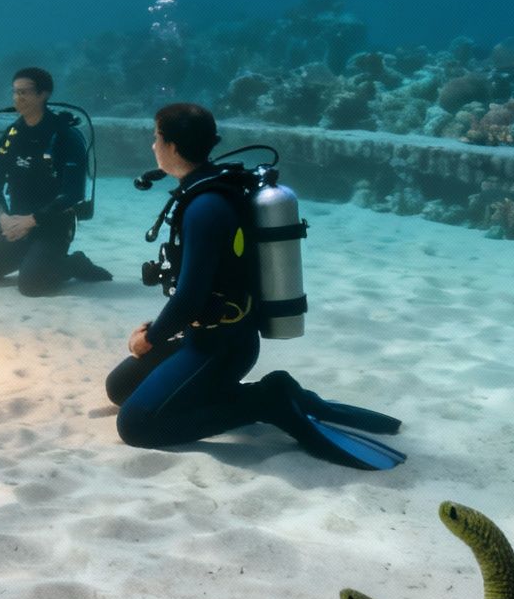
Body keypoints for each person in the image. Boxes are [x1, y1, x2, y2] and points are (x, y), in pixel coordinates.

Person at [105, 102, 405, 470]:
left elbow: (189, 298)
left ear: (173, 147)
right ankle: (264, 395)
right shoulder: (204, 189)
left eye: (156, 138)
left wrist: (150, 339)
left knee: (136, 425)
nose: (152, 146)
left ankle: (268, 400)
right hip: (202, 337)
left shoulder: (206, 206)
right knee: (120, 389)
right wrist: (159, 330)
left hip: (220, 347)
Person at [0, 67, 110, 296]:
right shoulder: (12, 135)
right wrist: (4, 219)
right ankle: (33, 258)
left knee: (31, 286)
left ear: (44, 94)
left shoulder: (66, 137)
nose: (17, 99)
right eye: (14, 92)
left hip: (53, 226)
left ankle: (74, 263)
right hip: (15, 224)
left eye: (24, 92)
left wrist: (31, 221)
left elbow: (73, 193)